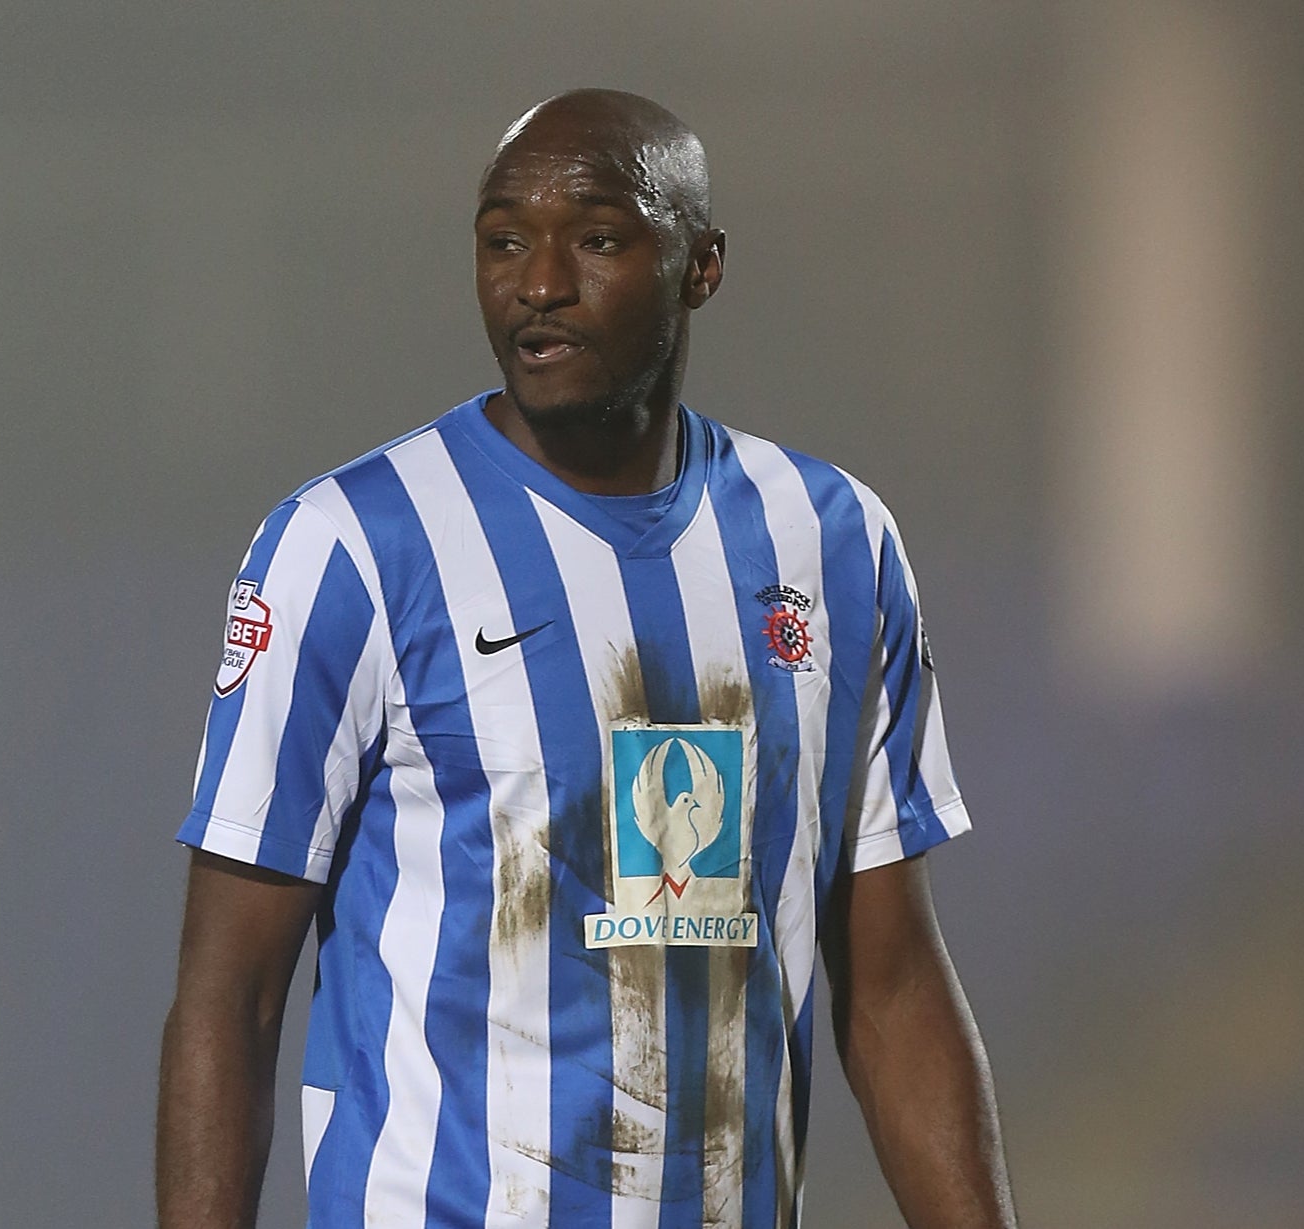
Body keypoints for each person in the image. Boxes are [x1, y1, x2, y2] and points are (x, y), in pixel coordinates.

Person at [157, 88, 1018, 1229]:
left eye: (597, 238)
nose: (538, 282)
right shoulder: (353, 545)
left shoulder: (834, 542)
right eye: (503, 239)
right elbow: (232, 994)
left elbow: (894, 984)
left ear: (700, 267)